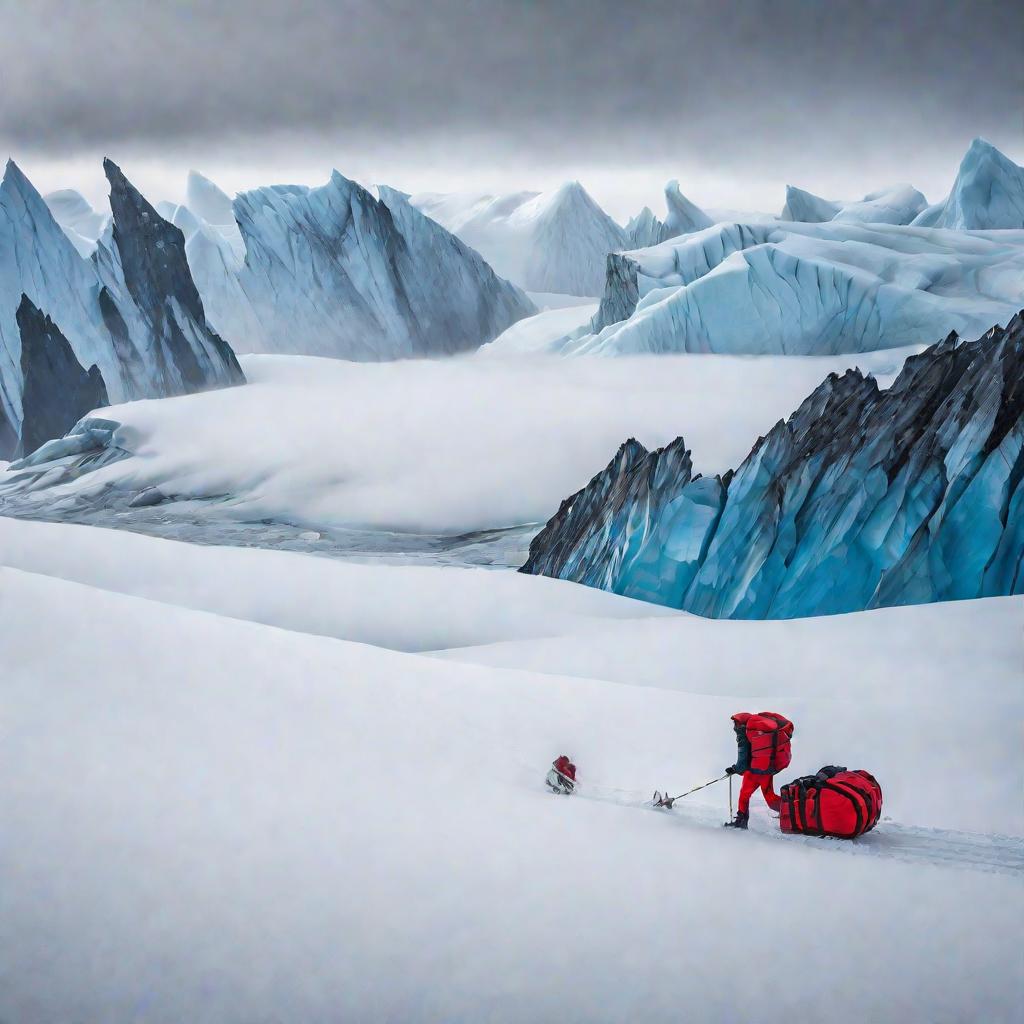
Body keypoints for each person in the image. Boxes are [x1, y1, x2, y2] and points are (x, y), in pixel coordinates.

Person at [724, 712, 794, 829]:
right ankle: (792, 812)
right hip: (767, 769)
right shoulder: (760, 731)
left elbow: (742, 761)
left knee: (744, 795)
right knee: (770, 796)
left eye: (735, 724)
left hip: (753, 772)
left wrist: (734, 769)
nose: (734, 727)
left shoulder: (745, 734)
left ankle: (741, 821)